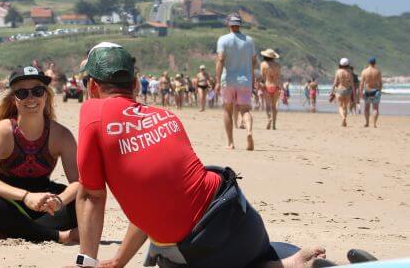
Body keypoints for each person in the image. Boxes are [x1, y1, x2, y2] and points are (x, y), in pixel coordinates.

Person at [73, 42, 325, 268]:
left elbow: (91, 197)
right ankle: (283, 264)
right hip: (242, 219)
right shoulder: (166, 116)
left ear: (92, 86)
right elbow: (158, 200)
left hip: (202, 247)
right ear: (136, 85)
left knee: (164, 256)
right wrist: (118, 261)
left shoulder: (93, 111)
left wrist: (86, 263)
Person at [0, 66, 80, 244]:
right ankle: (59, 236)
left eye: (37, 91)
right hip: (6, 202)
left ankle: (13, 230)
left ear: (46, 95)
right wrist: (26, 196)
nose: (31, 98)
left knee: (83, 201)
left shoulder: (61, 135)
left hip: (44, 206)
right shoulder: (2, 131)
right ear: (14, 99)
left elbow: (79, 182)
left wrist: (59, 201)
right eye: (22, 93)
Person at [215, 13, 257, 150]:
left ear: (229, 24)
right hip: (245, 80)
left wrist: (216, 80)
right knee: (245, 110)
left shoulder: (223, 40)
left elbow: (220, 60)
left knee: (227, 110)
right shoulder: (249, 41)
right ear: (239, 24)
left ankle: (230, 143)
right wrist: (253, 81)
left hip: (228, 80)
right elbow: (253, 62)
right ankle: (249, 131)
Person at [260, 49, 282, 130]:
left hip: (267, 86)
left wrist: (260, 84)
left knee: (268, 106)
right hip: (276, 86)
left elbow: (262, 76)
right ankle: (274, 125)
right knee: (274, 106)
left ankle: (269, 118)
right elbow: (279, 77)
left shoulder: (263, 64)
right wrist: (281, 87)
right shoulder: (278, 65)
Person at [331, 58, 354, 127]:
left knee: (340, 106)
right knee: (345, 107)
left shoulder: (338, 71)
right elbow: (352, 84)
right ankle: (344, 120)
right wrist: (354, 94)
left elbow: (335, 83)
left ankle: (343, 118)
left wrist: (332, 92)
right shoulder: (349, 72)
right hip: (347, 90)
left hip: (339, 90)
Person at [360, 57, 382, 128]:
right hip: (375, 91)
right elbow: (380, 83)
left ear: (368, 63)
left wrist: (360, 92)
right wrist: (380, 90)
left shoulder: (364, 71)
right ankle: (374, 124)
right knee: (375, 108)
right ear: (375, 63)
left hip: (367, 91)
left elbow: (361, 84)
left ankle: (367, 123)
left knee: (366, 108)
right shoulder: (378, 71)